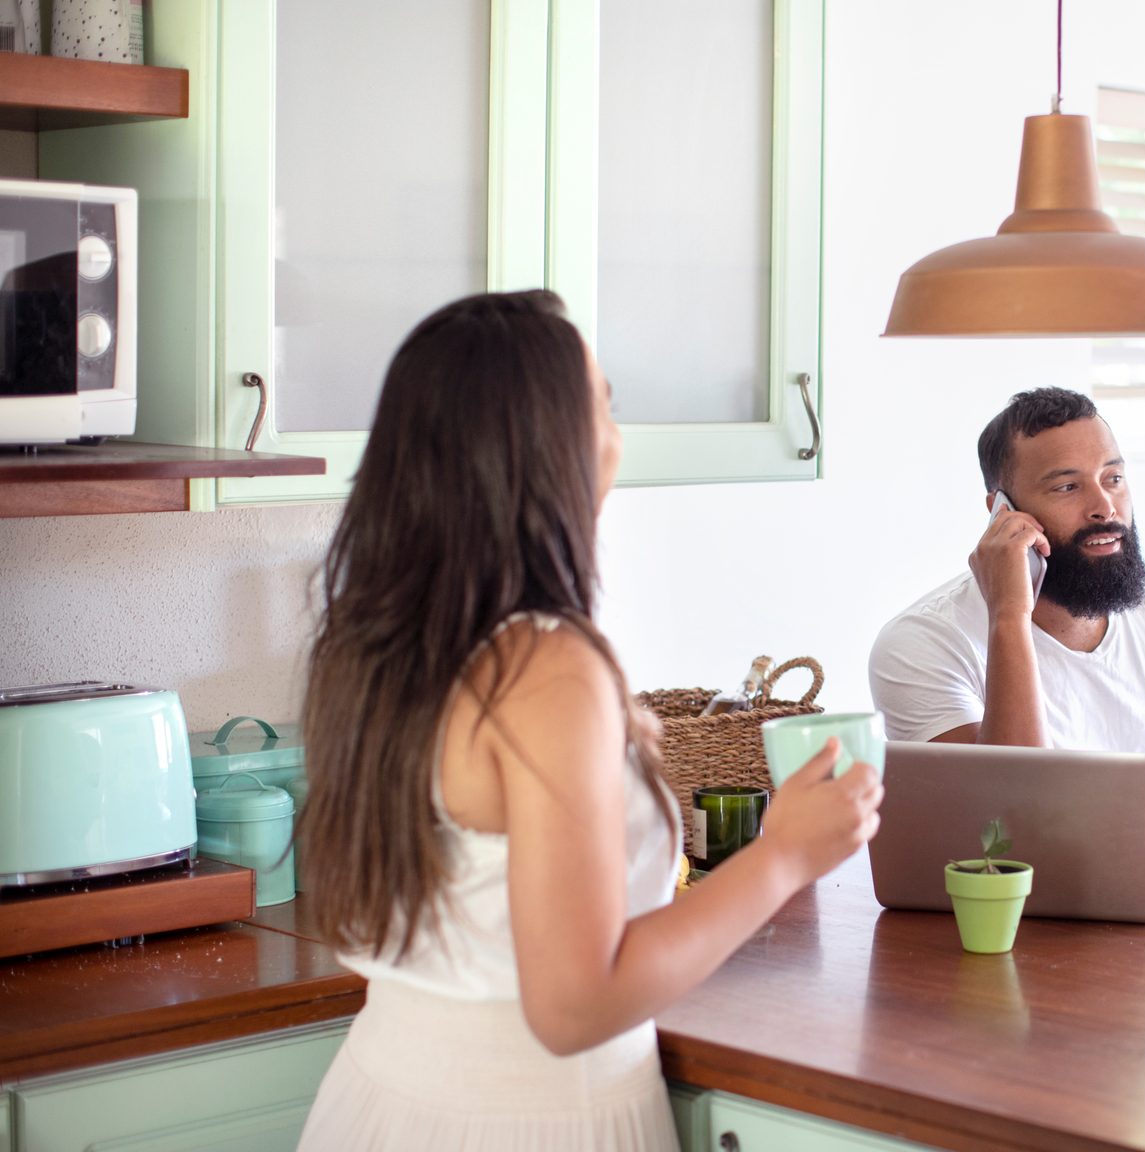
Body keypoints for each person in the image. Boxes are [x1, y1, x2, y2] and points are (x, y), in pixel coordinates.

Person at [295, 291, 882, 1151]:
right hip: (528, 1123)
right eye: (603, 406)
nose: (616, 435)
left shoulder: (374, 642)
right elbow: (574, 1007)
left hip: (380, 1103)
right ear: (544, 444)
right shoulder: (545, 667)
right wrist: (784, 855)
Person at [868, 387, 1145, 901]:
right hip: (1002, 934)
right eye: (1067, 487)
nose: (1104, 507)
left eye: (1114, 478)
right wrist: (1009, 616)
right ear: (1001, 512)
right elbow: (1006, 836)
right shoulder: (921, 644)